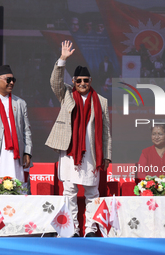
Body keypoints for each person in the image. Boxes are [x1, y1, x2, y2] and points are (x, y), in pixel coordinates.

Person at [45, 40, 111, 237]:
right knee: (70, 192)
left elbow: (106, 130)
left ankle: (90, 229)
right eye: (79, 81)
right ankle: (72, 229)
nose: (82, 84)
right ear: (73, 81)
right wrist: (62, 60)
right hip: (69, 151)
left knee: (92, 193)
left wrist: (106, 155)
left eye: (86, 81)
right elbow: (54, 82)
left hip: (92, 152)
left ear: (91, 81)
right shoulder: (66, 94)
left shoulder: (102, 101)